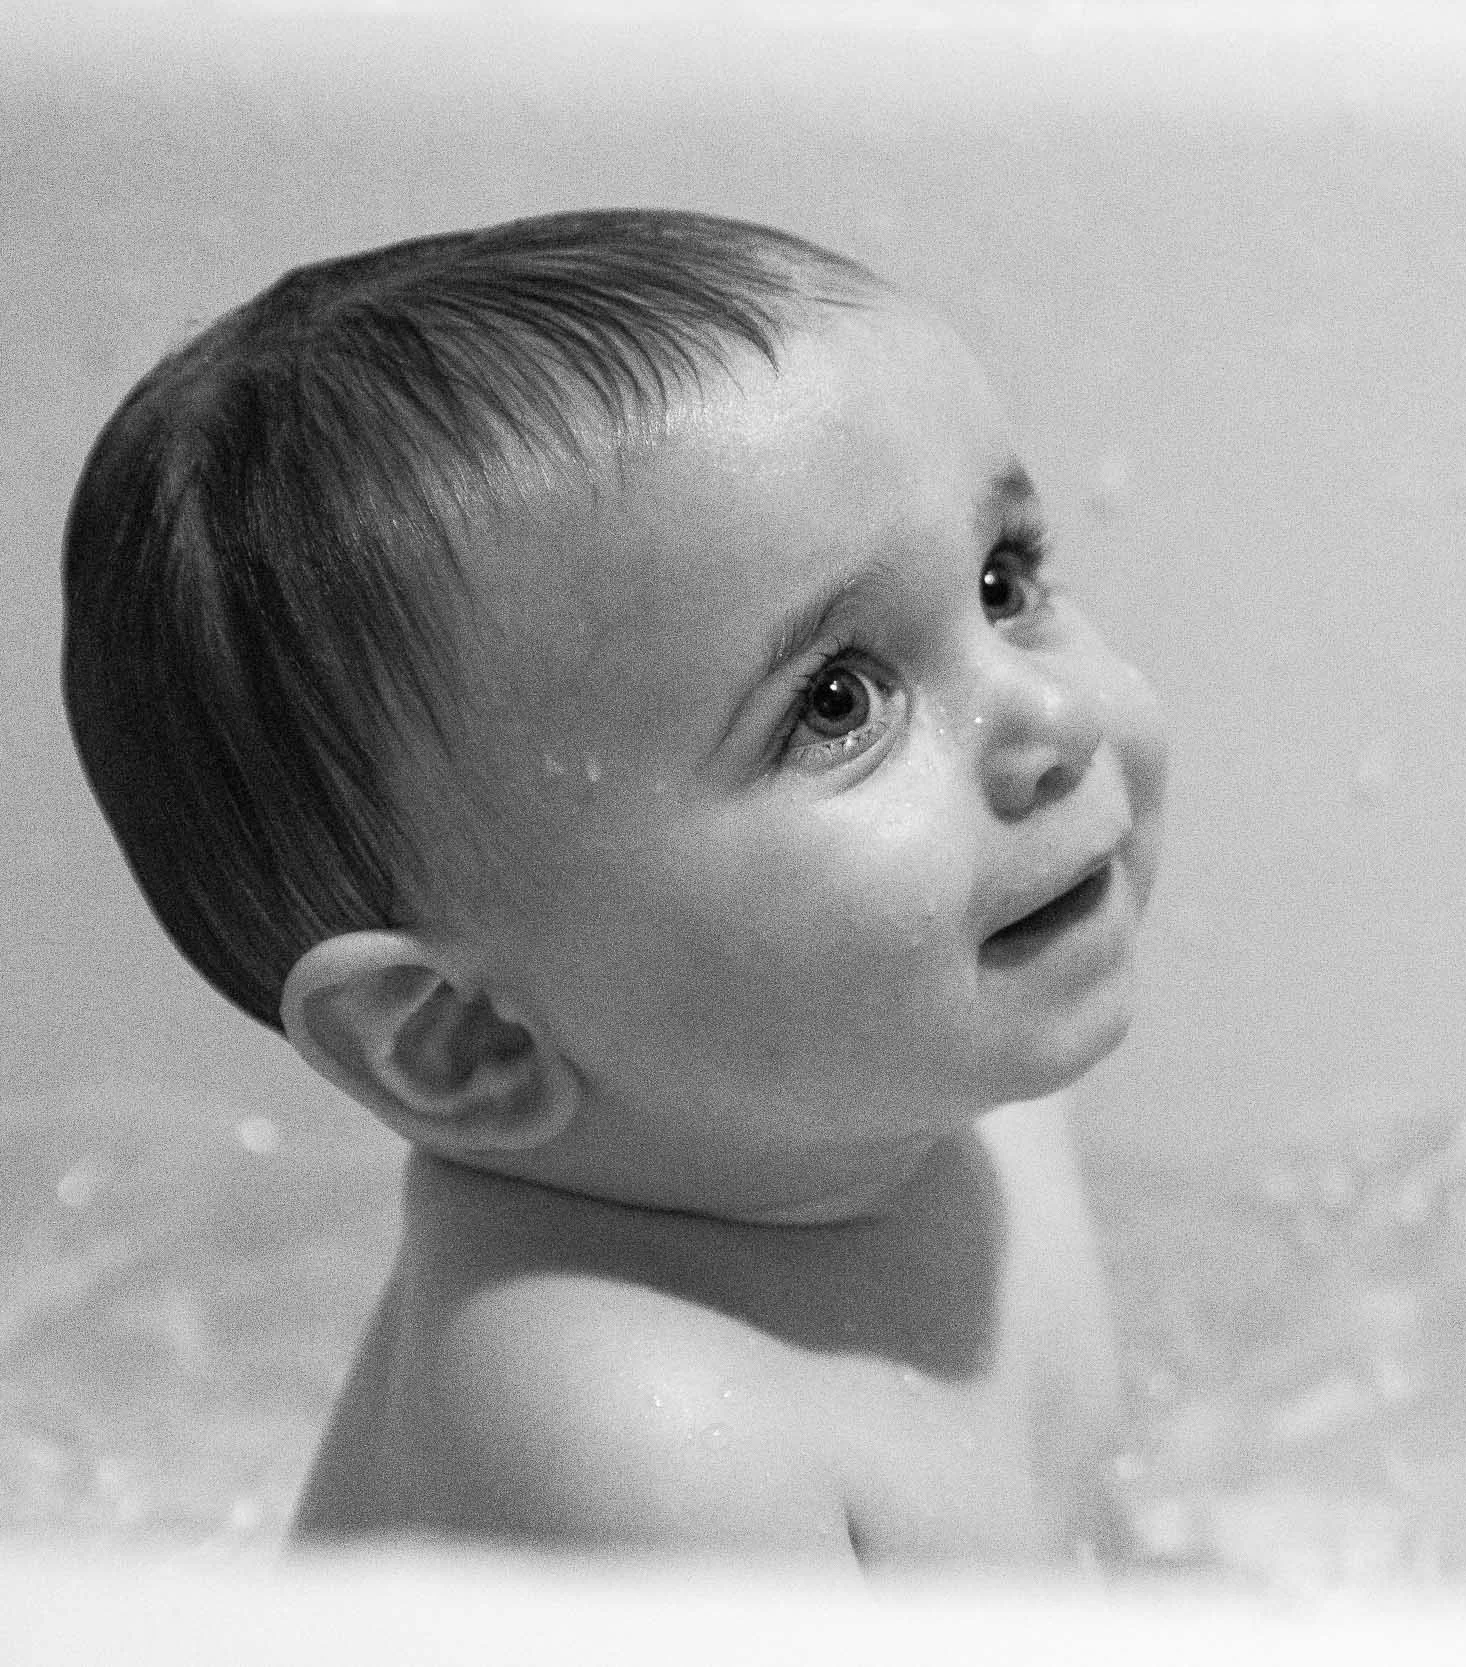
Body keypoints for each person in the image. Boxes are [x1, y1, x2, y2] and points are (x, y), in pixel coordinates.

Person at [59, 209, 1170, 1572]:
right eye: (835, 702)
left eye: (1004, 583)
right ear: (469, 1037)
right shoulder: (637, 1441)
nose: (1051, 715)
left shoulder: (950, 1090)